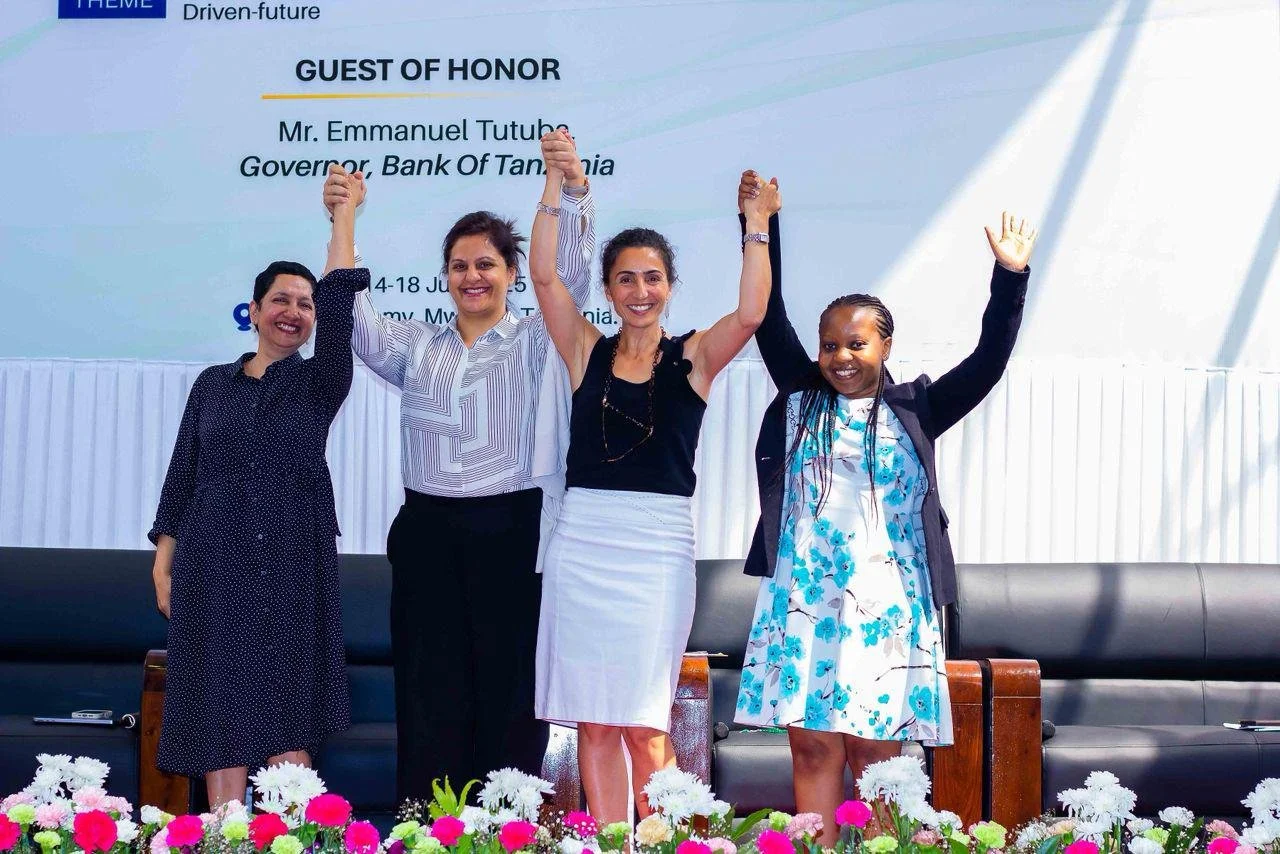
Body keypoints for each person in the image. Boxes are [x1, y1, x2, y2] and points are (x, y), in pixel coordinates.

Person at [732, 170, 1037, 842]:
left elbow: (988, 359)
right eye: (830, 344)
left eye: (856, 343)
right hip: (806, 603)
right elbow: (769, 313)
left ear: (885, 346)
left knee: (877, 762)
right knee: (813, 751)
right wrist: (761, 224)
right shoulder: (800, 399)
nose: (840, 356)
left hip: (887, 611)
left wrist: (1009, 278)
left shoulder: (917, 408)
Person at [319, 134, 596, 801]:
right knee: (428, 691)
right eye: (459, 265)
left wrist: (569, 189)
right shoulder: (416, 345)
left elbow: (570, 275)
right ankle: (430, 830)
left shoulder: (539, 339)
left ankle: (506, 828)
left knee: (510, 692)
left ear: (512, 273)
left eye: (486, 264)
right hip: (428, 533)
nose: (472, 276)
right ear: (444, 275)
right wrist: (344, 218)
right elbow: (350, 315)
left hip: (512, 530)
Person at [529, 138, 782, 822]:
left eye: (652, 278)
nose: (640, 292)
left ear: (669, 286)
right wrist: (554, 183)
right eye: (625, 280)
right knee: (594, 722)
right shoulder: (585, 348)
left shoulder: (693, 357)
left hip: (656, 547)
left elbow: (752, 314)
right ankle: (613, 840)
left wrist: (757, 224)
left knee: (645, 725)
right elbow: (545, 278)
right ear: (609, 289)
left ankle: (666, 839)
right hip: (583, 540)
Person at [148, 194, 365, 807]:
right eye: (280, 300)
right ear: (254, 309)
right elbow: (182, 475)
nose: (293, 312)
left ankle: (288, 838)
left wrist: (344, 218)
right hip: (212, 564)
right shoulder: (212, 384)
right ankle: (226, 838)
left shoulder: (321, 380)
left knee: (286, 708)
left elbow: (341, 299)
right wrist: (163, 562)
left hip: (291, 562)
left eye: (305, 304)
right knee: (220, 707)